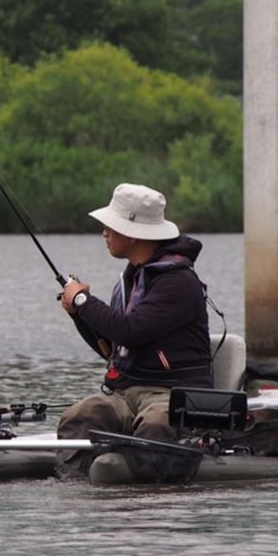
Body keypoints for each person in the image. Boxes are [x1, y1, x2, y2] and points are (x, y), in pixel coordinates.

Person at [57, 183, 212, 478]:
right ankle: (74, 490)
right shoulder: (133, 277)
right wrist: (79, 315)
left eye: (110, 227)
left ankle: (147, 495)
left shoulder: (177, 282)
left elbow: (130, 330)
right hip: (127, 393)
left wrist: (82, 300)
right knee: (79, 416)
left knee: (155, 424)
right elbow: (114, 346)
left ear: (133, 234)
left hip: (173, 393)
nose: (104, 233)